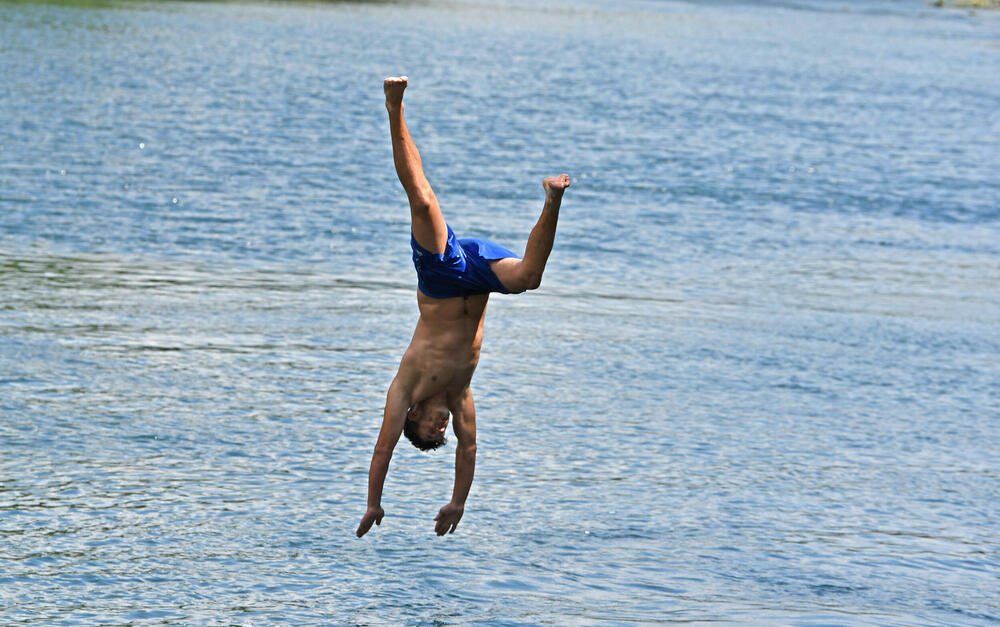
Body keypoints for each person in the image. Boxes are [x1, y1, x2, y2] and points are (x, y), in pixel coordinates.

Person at [356, 76, 570, 538]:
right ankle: (553, 197)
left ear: (414, 418)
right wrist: (458, 501)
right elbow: (469, 449)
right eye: (443, 433)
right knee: (529, 278)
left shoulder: (406, 389)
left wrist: (374, 503)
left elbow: (382, 450)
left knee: (423, 201)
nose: (444, 428)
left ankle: (395, 108)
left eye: (434, 431)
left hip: (442, 279)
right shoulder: (460, 396)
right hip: (479, 279)